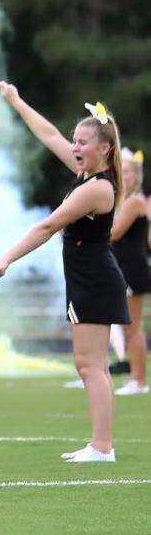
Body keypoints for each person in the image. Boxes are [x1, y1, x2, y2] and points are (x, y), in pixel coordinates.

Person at [0, 83, 127, 462]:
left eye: (84, 142)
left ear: (105, 148)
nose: (76, 147)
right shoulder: (86, 174)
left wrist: (6, 259)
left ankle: (102, 447)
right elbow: (48, 134)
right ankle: (101, 444)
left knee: (88, 366)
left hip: (94, 279)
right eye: (76, 141)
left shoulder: (97, 188)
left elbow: (47, 226)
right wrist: (17, 102)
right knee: (93, 366)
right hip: (88, 276)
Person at [111, 148, 149, 396]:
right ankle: (136, 379)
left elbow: (114, 233)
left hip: (133, 268)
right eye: (119, 171)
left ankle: (139, 380)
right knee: (128, 327)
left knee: (133, 327)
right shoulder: (125, 200)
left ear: (136, 176)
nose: (121, 176)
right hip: (124, 267)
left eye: (126, 172)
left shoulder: (135, 201)